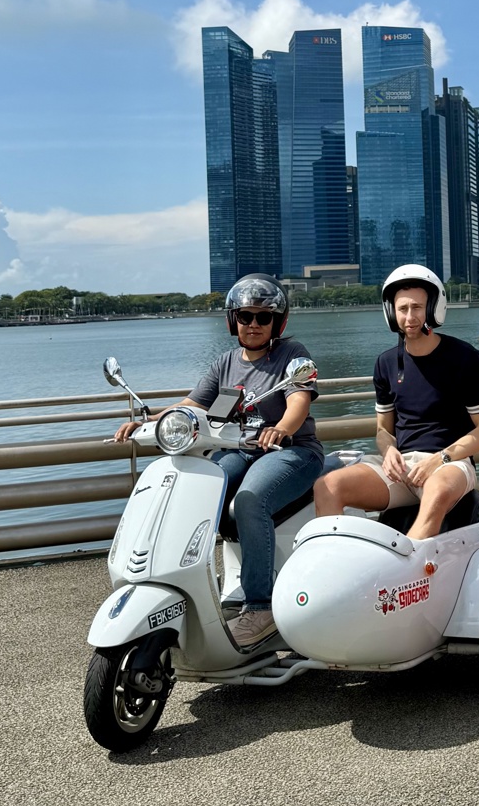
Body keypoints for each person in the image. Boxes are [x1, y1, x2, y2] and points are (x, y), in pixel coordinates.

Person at [114, 273, 323, 646]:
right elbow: (193, 405)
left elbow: (298, 402)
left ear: (278, 322)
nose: (254, 324)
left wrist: (282, 429)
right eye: (245, 316)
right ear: (233, 320)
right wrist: (148, 422)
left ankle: (261, 606)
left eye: (263, 317)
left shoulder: (293, 355)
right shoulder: (226, 362)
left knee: (250, 499)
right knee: (198, 486)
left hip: (291, 452)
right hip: (239, 451)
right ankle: (188, 584)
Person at [313, 264, 479, 539]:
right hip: (401, 469)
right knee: (328, 486)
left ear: (434, 308)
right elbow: (384, 430)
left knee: (437, 491)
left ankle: (407, 570)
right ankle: (333, 573)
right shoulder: (385, 363)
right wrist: (388, 453)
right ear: (391, 313)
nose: (409, 317)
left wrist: (439, 459)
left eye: (417, 307)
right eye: (402, 309)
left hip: (448, 464)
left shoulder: (464, 358)